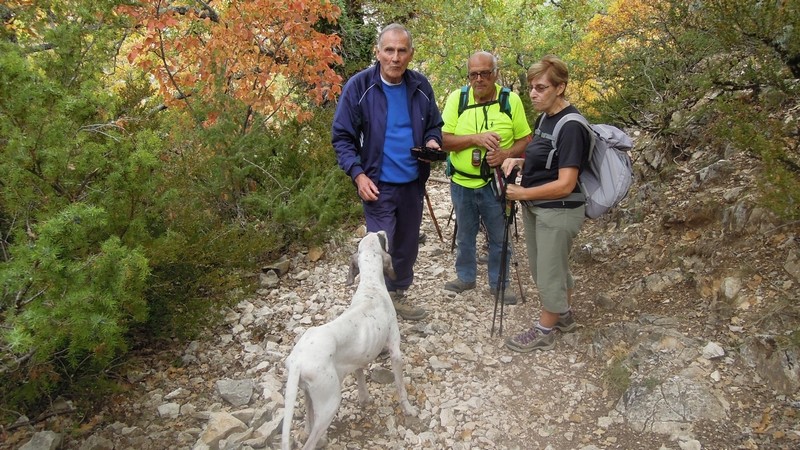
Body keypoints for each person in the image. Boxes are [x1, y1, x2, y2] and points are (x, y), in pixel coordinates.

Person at [332, 23, 444, 321]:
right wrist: (358, 174)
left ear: (410, 54)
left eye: (402, 51)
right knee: (379, 247)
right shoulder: (359, 86)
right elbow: (342, 136)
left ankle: (396, 296)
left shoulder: (420, 86)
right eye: (389, 50)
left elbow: (434, 124)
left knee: (406, 243)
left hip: (412, 182)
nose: (395, 57)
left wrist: (432, 141)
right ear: (378, 52)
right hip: (377, 184)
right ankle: (372, 307)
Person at [500, 55, 591, 352]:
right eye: (531, 87)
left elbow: (566, 182)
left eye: (541, 88)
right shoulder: (545, 118)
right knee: (545, 267)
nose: (534, 94)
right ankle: (563, 315)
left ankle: (544, 329)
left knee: (549, 271)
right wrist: (519, 160)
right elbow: (547, 160)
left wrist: (521, 194)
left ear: (560, 87)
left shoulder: (572, 126)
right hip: (539, 206)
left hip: (560, 210)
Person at [441, 51, 531, 304]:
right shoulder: (457, 99)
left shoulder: (510, 100)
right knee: (465, 235)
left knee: (500, 235)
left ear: (496, 74)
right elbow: (444, 140)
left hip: (496, 183)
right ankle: (466, 277)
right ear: (468, 75)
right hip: (461, 181)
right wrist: (475, 139)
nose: (479, 79)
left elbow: (525, 138)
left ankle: (500, 284)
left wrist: (505, 154)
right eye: (474, 74)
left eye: (485, 73)